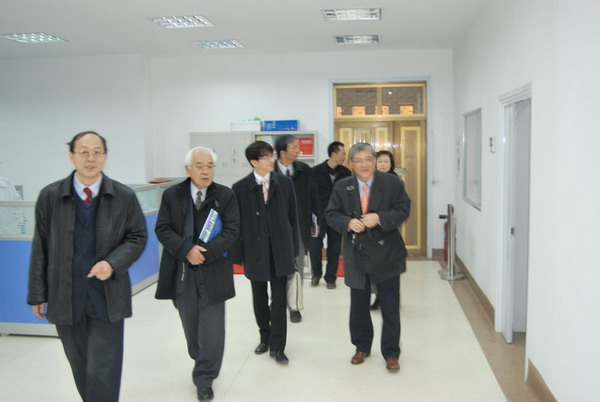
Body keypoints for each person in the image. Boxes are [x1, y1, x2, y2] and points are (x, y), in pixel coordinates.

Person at [27, 131, 147, 401]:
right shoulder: (50, 196)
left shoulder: (123, 196)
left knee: (103, 370)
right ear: (72, 156)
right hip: (65, 296)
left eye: (96, 152)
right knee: (81, 367)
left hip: (107, 296)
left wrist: (112, 263)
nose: (90, 158)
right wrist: (37, 294)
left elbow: (137, 236)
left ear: (105, 156)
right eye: (83, 152)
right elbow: (40, 247)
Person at [154, 146, 240, 401]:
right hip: (182, 272)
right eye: (199, 166)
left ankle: (205, 377)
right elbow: (163, 229)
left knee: (212, 330)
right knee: (191, 327)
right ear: (188, 169)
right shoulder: (172, 195)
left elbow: (232, 230)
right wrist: (186, 250)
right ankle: (201, 358)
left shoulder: (225, 195)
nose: (205, 171)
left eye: (209, 166)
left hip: (213, 270)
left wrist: (205, 252)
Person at [325, 142, 410, 373]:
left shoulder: (391, 182)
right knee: (358, 305)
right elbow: (331, 214)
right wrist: (347, 222)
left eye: (368, 159)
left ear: (375, 160)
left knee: (389, 305)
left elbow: (403, 209)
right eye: (358, 160)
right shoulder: (342, 186)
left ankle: (391, 353)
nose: (364, 165)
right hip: (357, 253)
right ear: (351, 164)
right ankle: (361, 346)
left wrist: (380, 218)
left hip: (387, 252)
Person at [232, 141, 299, 364]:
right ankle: (265, 337)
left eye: (272, 155)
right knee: (259, 299)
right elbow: (236, 224)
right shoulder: (240, 188)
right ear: (253, 162)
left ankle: (278, 346)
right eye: (266, 157)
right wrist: (239, 255)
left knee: (279, 300)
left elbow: (292, 217)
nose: (272, 160)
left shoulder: (284, 183)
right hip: (255, 252)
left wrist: (293, 250)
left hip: (280, 250)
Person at [274, 134, 321, 323]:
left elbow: (314, 197)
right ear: (282, 152)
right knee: (277, 269)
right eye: (294, 147)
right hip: (275, 229)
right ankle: (277, 302)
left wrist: (316, 221)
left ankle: (294, 306)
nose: (298, 150)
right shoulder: (269, 170)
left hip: (299, 227)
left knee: (297, 267)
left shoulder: (304, 170)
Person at [309, 141, 351, 289]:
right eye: (343, 153)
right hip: (317, 215)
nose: (344, 156)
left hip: (337, 216)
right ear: (334, 154)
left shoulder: (346, 173)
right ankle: (316, 273)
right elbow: (310, 195)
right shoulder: (315, 171)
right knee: (314, 245)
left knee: (334, 247)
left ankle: (331, 277)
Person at [370, 150, 399, 310]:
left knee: (391, 266)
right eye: (380, 161)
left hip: (389, 229)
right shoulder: (369, 179)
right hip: (372, 230)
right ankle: (378, 297)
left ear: (391, 164)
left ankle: (392, 298)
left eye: (386, 162)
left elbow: (399, 208)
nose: (382, 164)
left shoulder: (395, 181)